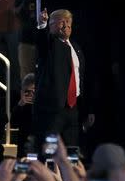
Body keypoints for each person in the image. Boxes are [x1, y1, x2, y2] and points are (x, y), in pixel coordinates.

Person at [33, 9, 94, 153]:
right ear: (51, 25)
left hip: (73, 109)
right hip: (53, 110)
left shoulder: (76, 48)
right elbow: (41, 42)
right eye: (62, 21)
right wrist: (42, 25)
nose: (66, 25)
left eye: (68, 22)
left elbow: (81, 79)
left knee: (71, 151)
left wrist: (87, 110)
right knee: (49, 151)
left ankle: (68, 175)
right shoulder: (50, 44)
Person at [10, 73, 34, 158]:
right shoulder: (20, 104)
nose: (30, 94)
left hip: (37, 141)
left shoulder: (43, 105)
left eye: (33, 91)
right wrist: (20, 104)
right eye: (27, 91)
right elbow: (13, 122)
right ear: (22, 91)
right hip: (23, 142)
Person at [14, 0, 37, 80]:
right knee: (26, 73)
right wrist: (27, 0)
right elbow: (17, 13)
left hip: (43, 40)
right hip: (26, 40)